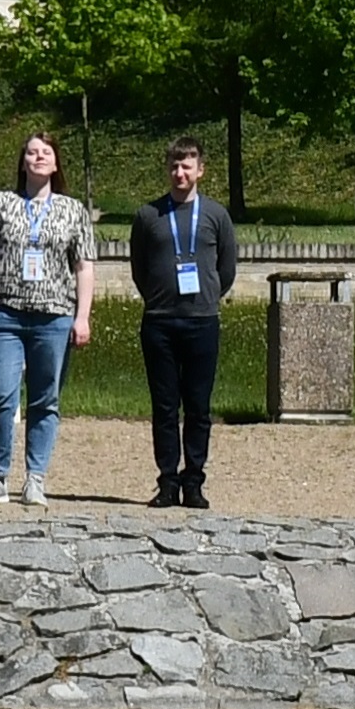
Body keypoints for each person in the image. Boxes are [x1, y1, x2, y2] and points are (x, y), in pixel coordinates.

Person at [0, 136, 95, 508]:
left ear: (56, 164)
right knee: (0, 394)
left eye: (46, 153)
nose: (39, 157)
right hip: (4, 314)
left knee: (46, 399)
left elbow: (84, 266)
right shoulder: (0, 203)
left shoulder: (73, 210)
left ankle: (35, 478)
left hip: (54, 316)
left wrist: (82, 317)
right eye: (31, 152)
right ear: (22, 161)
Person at [126, 140, 239, 510]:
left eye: (187, 166)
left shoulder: (216, 215)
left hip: (202, 321)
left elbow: (226, 269)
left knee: (198, 406)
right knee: (164, 407)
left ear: (200, 170)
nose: (180, 173)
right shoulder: (148, 216)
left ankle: (194, 481)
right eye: (174, 166)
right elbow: (140, 268)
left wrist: (208, 296)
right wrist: (158, 297)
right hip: (159, 322)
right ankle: (167, 481)